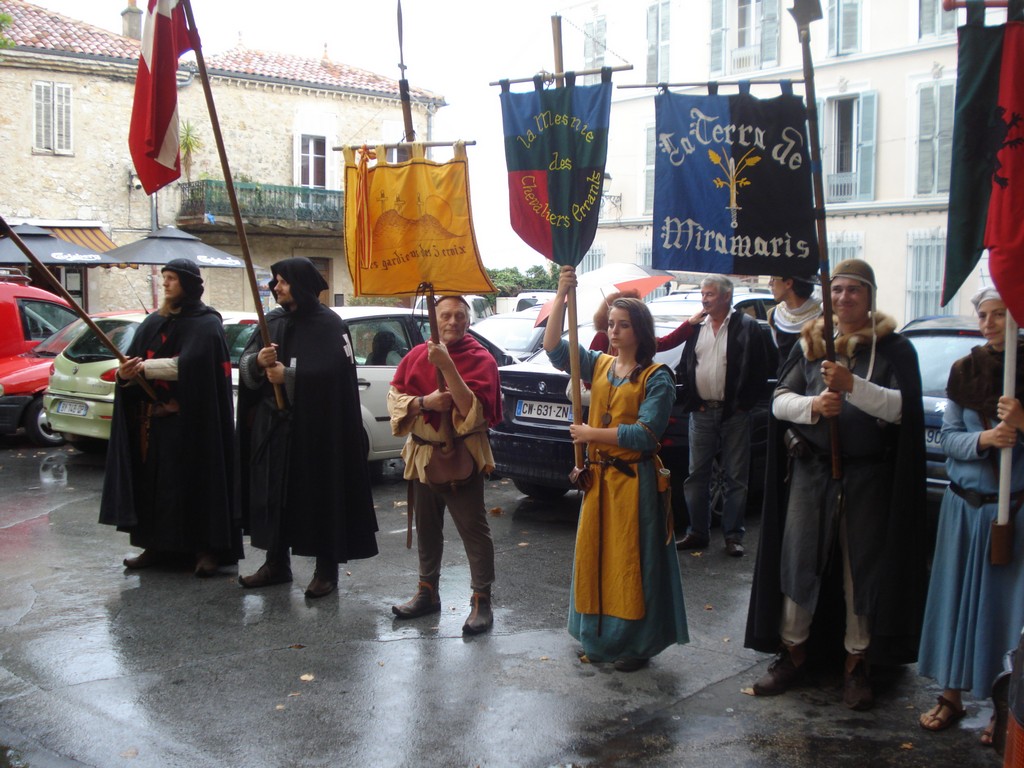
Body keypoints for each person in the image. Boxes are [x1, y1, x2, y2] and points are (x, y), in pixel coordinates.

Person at [745, 258, 927, 711]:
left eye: (854, 290)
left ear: (870, 297)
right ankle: (793, 651)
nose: (844, 298)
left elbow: (903, 410)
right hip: (812, 473)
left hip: (868, 476)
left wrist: (853, 386)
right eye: (838, 289)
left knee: (861, 570)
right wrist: (812, 407)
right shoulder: (811, 344)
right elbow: (779, 401)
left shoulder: (893, 349)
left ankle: (857, 663)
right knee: (798, 561)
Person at [543, 265, 689, 671]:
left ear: (640, 330)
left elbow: (645, 434)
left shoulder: (658, 377)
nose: (614, 331)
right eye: (611, 324)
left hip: (635, 484)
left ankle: (636, 646)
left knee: (631, 564)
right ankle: (598, 638)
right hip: (599, 481)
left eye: (623, 325)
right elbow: (553, 347)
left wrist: (591, 434)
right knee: (595, 557)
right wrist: (561, 296)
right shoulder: (600, 364)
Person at [917, 287, 1024, 745]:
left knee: (1004, 611)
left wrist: (1022, 423)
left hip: (1010, 514)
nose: (990, 323)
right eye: (984, 315)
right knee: (954, 602)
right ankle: (951, 695)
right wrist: (986, 440)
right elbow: (949, 438)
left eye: (1000, 314)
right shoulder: (965, 371)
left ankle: (1004, 706)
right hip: (963, 510)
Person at [236, 257, 378, 598]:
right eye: (275, 281)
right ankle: (276, 564)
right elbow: (246, 363)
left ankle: (326, 570)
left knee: (320, 497)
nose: (276, 287)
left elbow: (336, 376)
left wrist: (290, 377)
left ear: (300, 284)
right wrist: (257, 363)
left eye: (282, 281)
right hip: (276, 431)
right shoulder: (272, 321)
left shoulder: (330, 325)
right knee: (277, 497)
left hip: (316, 432)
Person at [100, 259, 241, 577]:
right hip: (156, 423)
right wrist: (125, 375)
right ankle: (156, 545)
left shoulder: (207, 323)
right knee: (158, 486)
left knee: (198, 485)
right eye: (163, 277)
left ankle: (207, 549)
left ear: (188, 284)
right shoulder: (154, 322)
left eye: (172, 278)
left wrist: (144, 369)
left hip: (197, 425)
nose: (165, 283)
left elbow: (195, 366)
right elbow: (130, 367)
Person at [388, 294, 502, 634]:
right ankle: (427, 592)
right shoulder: (415, 355)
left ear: (468, 321)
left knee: (473, 530)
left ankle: (481, 600)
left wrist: (448, 366)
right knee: (426, 527)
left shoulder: (482, 359)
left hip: (462, 457)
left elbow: (473, 412)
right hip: (423, 456)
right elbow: (395, 399)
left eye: (459, 316)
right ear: (433, 319)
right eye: (446, 315)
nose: (453, 321)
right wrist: (426, 401)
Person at [675, 274, 769, 557]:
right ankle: (697, 532)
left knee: (735, 477)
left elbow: (761, 369)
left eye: (710, 294)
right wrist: (692, 399)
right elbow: (685, 365)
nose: (704, 299)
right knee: (696, 476)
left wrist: (744, 404)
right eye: (702, 294)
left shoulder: (747, 327)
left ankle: (733, 536)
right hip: (702, 412)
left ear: (726, 296)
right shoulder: (697, 327)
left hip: (734, 414)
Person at [766, 274, 822, 372]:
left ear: (788, 283)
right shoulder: (774, 315)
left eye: (773, 279)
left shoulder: (823, 314)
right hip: (784, 378)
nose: (770, 284)